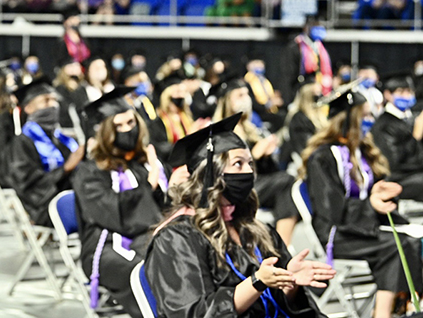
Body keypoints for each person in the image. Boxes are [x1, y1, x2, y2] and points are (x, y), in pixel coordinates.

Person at [147, 113, 332, 318]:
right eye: (238, 164)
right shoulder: (177, 239)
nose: (249, 172)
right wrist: (256, 282)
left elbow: (276, 305)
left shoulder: (255, 230)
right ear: (210, 174)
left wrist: (291, 283)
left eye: (250, 164)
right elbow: (193, 313)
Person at [302, 85, 422, 318]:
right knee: (395, 246)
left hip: (362, 226)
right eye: (364, 115)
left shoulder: (361, 151)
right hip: (337, 233)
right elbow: (331, 208)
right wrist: (371, 206)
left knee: (414, 241)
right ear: (347, 120)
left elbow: (374, 190)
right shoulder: (323, 157)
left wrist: (384, 192)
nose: (370, 121)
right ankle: (383, 313)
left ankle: (404, 306)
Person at [73, 88, 170, 318]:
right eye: (119, 126)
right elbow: (110, 211)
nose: (128, 130)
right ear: (106, 132)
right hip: (104, 244)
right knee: (144, 273)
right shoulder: (90, 171)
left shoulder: (140, 162)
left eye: (131, 122)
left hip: (145, 235)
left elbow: (159, 210)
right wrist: (149, 187)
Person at [214, 79, 299, 245]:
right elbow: (222, 166)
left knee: (287, 184)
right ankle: (282, 244)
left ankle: (281, 244)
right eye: (239, 95)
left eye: (246, 94)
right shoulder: (221, 131)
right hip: (236, 185)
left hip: (257, 181)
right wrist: (253, 155)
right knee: (285, 181)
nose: (245, 99)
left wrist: (266, 155)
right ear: (227, 101)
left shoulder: (249, 127)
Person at [8, 78, 83, 226]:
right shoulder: (22, 142)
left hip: (75, 194)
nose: (53, 106)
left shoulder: (60, 138)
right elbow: (28, 186)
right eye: (46, 101)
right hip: (46, 207)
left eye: (55, 100)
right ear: (28, 108)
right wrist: (66, 169)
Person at [371, 72, 423, 201]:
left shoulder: (411, 117)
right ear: (388, 94)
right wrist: (416, 136)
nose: (407, 96)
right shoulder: (384, 125)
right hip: (398, 179)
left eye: (409, 92)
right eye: (401, 92)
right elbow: (393, 164)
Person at [282, 17, 332, 103]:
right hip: (300, 91)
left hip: (318, 90)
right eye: (315, 26)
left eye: (320, 26)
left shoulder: (320, 48)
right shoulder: (295, 47)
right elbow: (289, 75)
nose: (319, 29)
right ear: (306, 27)